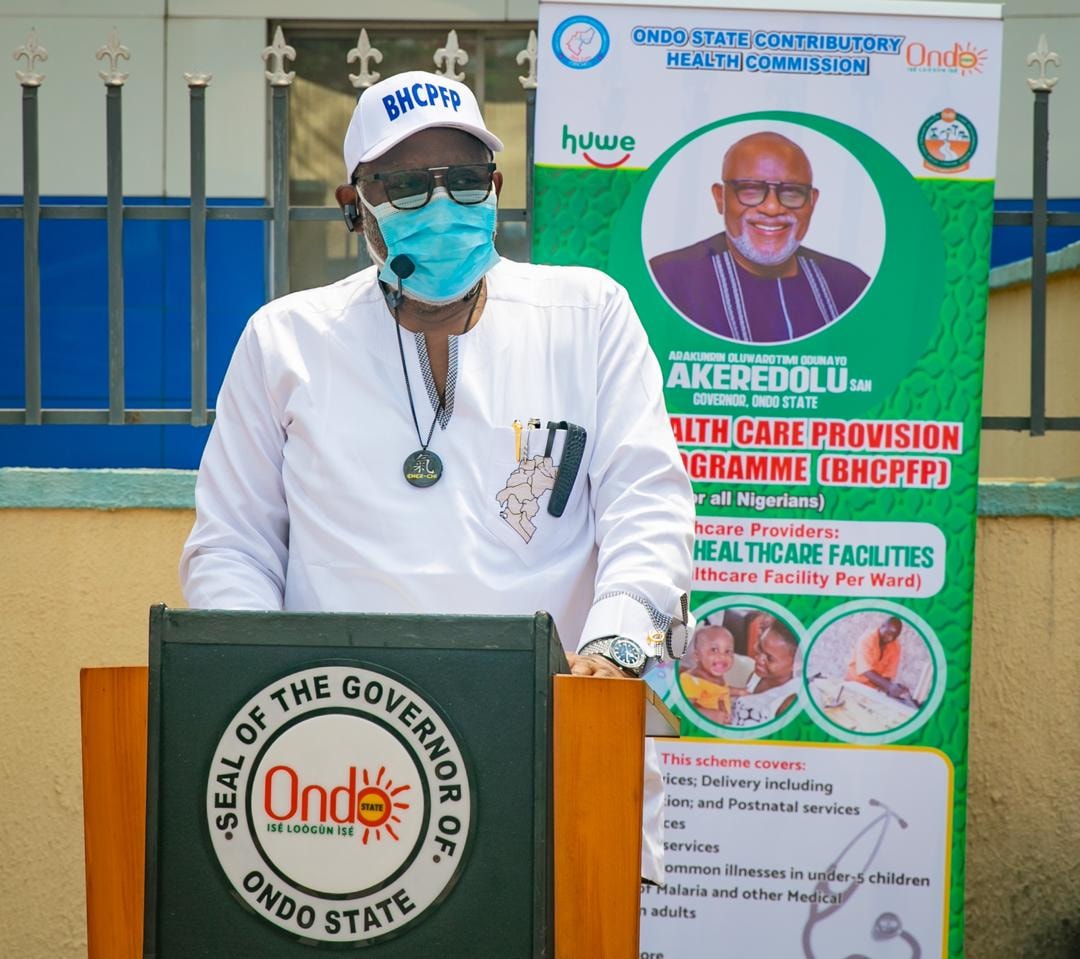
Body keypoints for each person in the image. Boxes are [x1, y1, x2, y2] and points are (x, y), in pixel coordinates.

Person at [179, 70, 694, 884]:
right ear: (356, 205)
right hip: (342, 777)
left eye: (465, 179)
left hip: (548, 745)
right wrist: (263, 690)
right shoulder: (286, 342)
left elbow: (648, 503)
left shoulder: (587, 315)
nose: (444, 203)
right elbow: (231, 549)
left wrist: (617, 642)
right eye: (409, 184)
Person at [649, 131, 870, 343]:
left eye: (792, 192)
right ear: (720, 198)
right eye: (751, 190)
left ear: (812, 201)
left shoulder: (850, 285)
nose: (772, 208)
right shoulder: (668, 280)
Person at [729, 615, 800, 727]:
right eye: (760, 648)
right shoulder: (757, 676)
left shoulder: (790, 700)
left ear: (796, 663)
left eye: (770, 658)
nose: (759, 659)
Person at [845, 616, 917, 706]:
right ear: (882, 626)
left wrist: (891, 689)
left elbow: (888, 674)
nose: (890, 638)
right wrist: (889, 686)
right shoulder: (866, 640)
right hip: (854, 684)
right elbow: (866, 670)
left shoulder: (895, 647)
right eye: (888, 633)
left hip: (873, 691)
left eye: (894, 636)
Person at [679, 624, 736, 724]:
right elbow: (684, 710)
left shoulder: (718, 678)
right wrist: (708, 714)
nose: (722, 656)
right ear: (697, 656)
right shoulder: (690, 680)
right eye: (714, 650)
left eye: (728, 651)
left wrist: (741, 692)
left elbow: (721, 691)